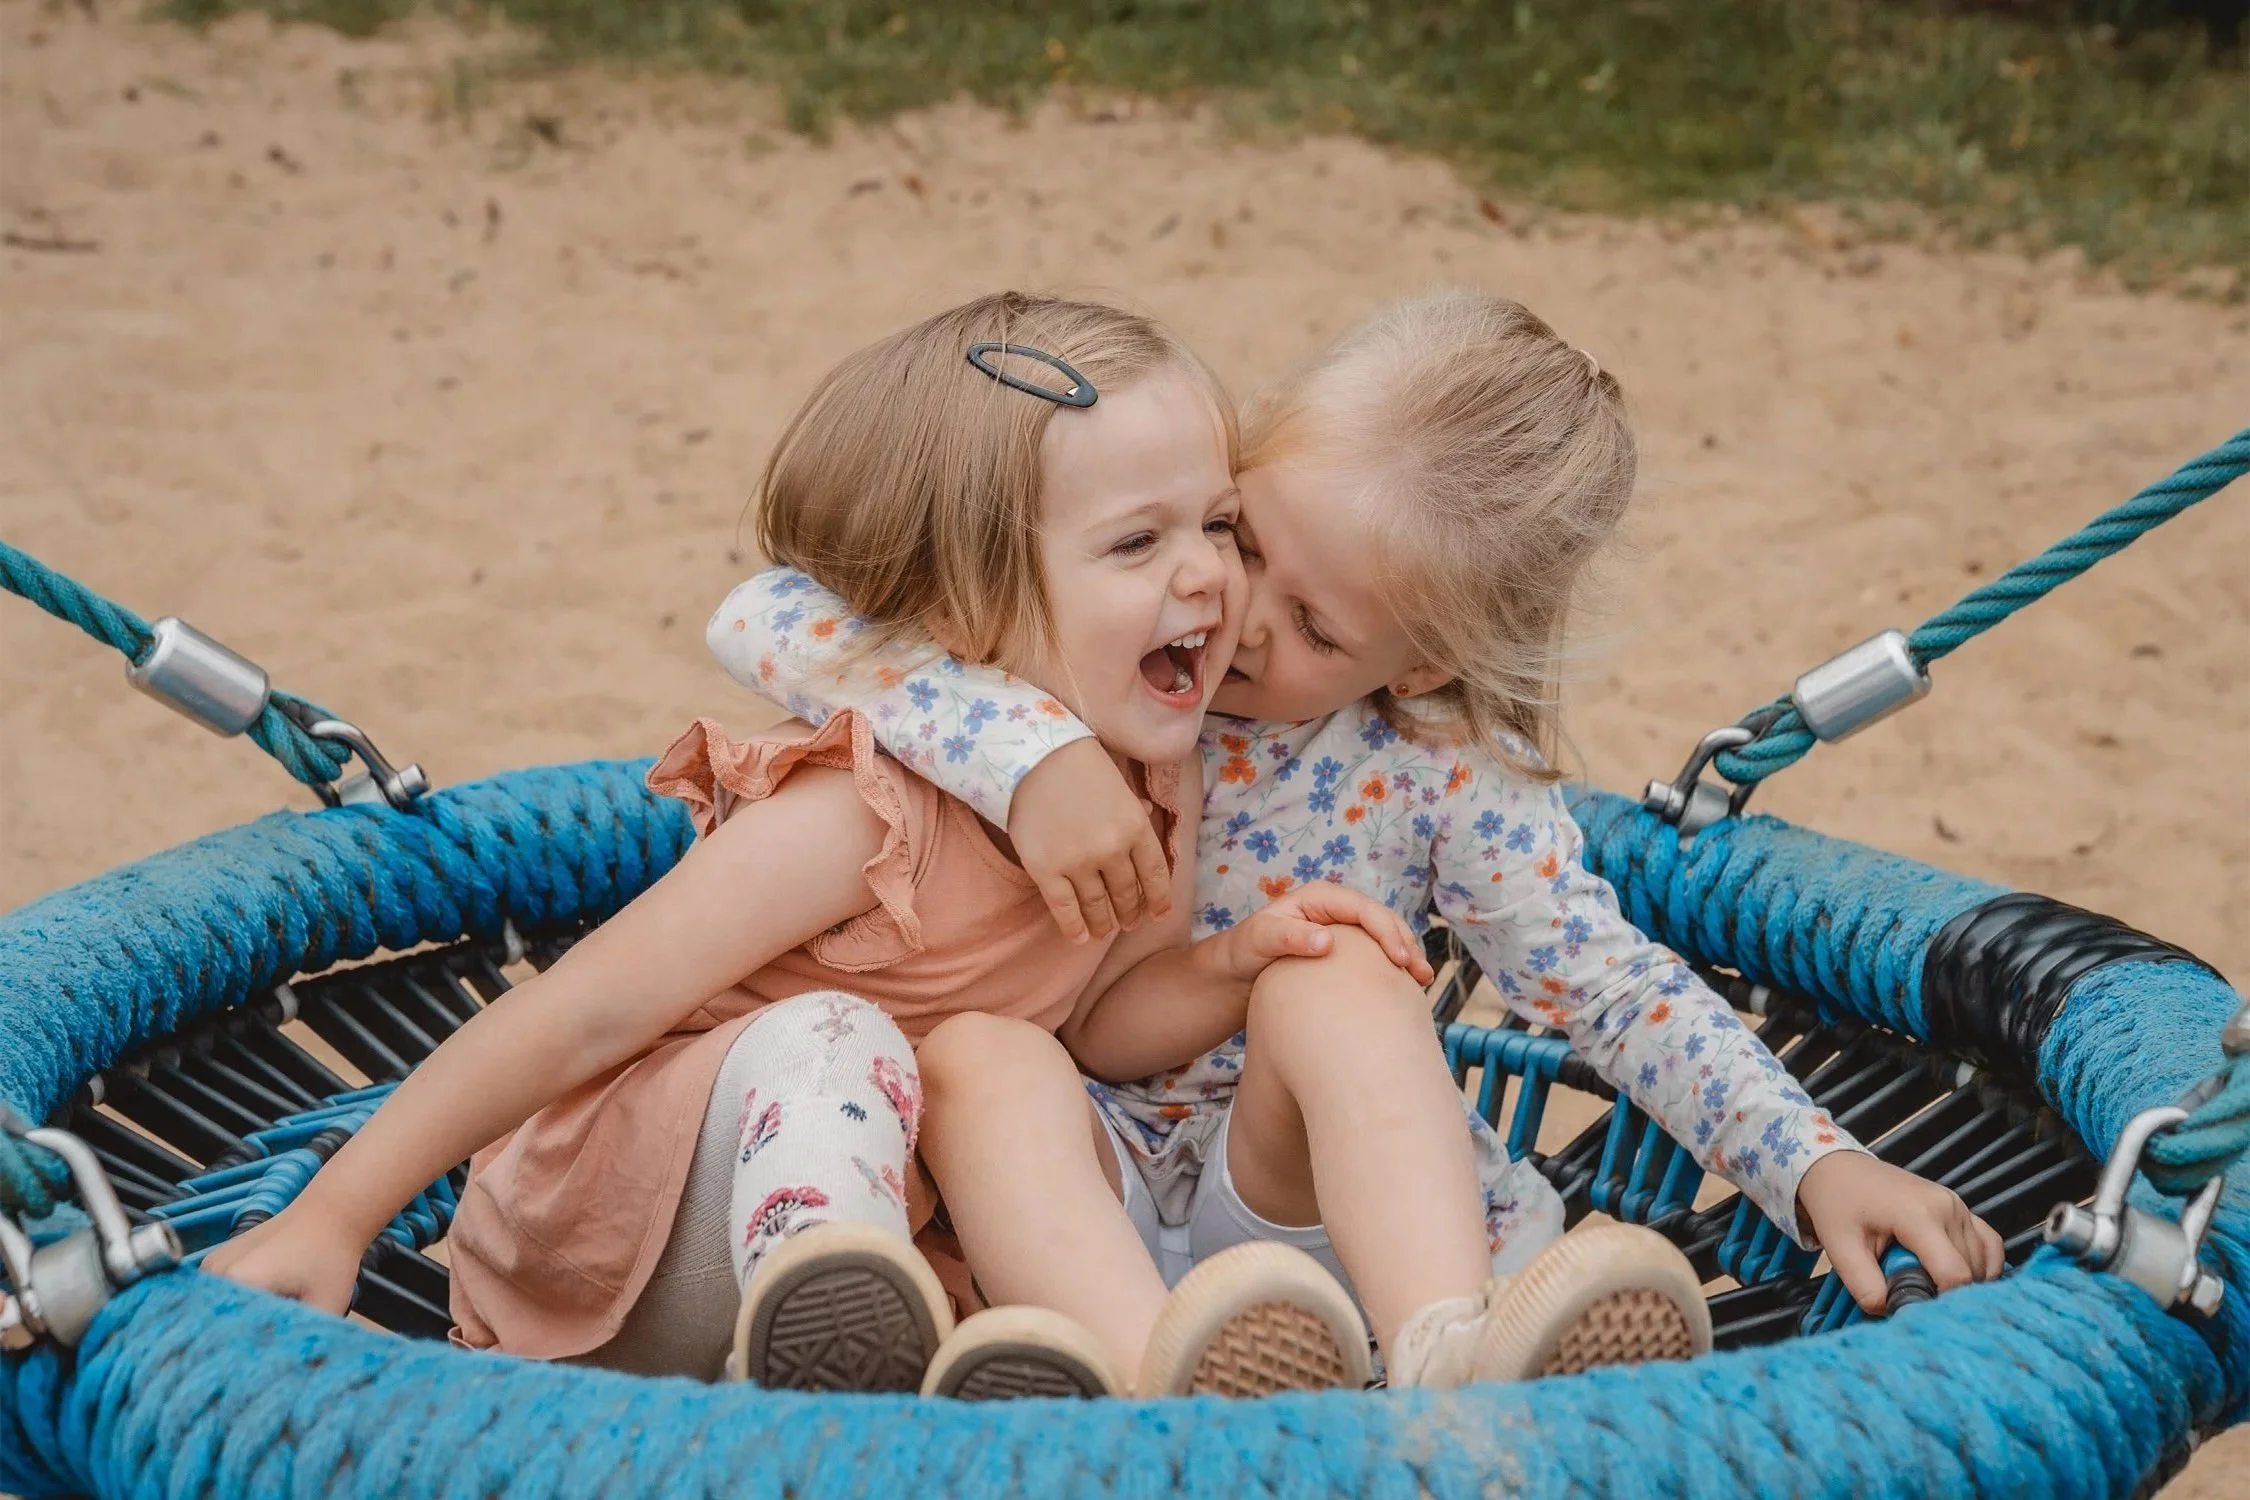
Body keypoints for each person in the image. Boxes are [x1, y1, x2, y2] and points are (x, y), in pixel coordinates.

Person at [714, 288, 2007, 1388]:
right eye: (1246, 538)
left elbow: (1610, 988)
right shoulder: (1094, 650)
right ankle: (1152, 1392)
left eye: (1319, 630)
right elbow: (781, 616)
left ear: (1420, 658)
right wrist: (1024, 750)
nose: (1236, 614)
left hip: (1313, 1213)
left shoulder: (1434, 777)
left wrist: (1812, 1165)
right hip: (1072, 1203)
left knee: (1336, 975)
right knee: (978, 1062)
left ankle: (1448, 1359)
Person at [207, 290, 1429, 1400]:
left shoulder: (1154, 778)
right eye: (1135, 544)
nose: (1210, 576)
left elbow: (1097, 1024)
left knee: (1005, 1062)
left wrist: (1224, 972)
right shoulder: (868, 812)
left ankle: (1103, 1388)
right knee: (833, 1038)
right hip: (616, 1249)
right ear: (959, 608)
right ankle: (843, 1326)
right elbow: (579, 1014)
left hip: (871, 1228)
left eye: (1218, 524)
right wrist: (339, 1216)